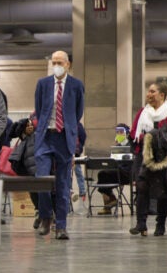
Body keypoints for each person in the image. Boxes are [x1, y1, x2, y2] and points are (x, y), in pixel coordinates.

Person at [33, 51, 84, 240]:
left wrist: (67, 128)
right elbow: (39, 110)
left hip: (64, 138)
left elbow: (77, 113)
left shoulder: (77, 85)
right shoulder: (43, 84)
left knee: (63, 184)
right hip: (46, 137)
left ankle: (61, 226)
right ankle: (46, 217)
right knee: (42, 180)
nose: (56, 65)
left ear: (67, 64)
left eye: (59, 62)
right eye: (53, 62)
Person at [129, 82, 167, 237]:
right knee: (142, 188)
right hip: (143, 155)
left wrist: (154, 137)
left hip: (162, 157)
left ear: (162, 95)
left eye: (152, 92)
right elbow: (133, 133)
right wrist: (147, 137)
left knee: (163, 192)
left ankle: (160, 224)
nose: (148, 94)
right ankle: (141, 224)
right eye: (148, 92)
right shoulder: (142, 112)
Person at [96, 123, 133, 215]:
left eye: (121, 132)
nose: (119, 134)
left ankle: (110, 203)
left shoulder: (132, 145)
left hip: (127, 173)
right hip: (117, 172)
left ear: (127, 133)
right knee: (102, 175)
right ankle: (110, 201)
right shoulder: (117, 147)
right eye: (117, 132)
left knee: (103, 176)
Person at [71, 122, 87, 213]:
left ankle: (82, 190)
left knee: (77, 170)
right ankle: (79, 190)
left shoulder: (77, 124)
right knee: (76, 170)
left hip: (75, 150)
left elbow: (83, 136)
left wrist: (79, 146)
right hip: (73, 149)